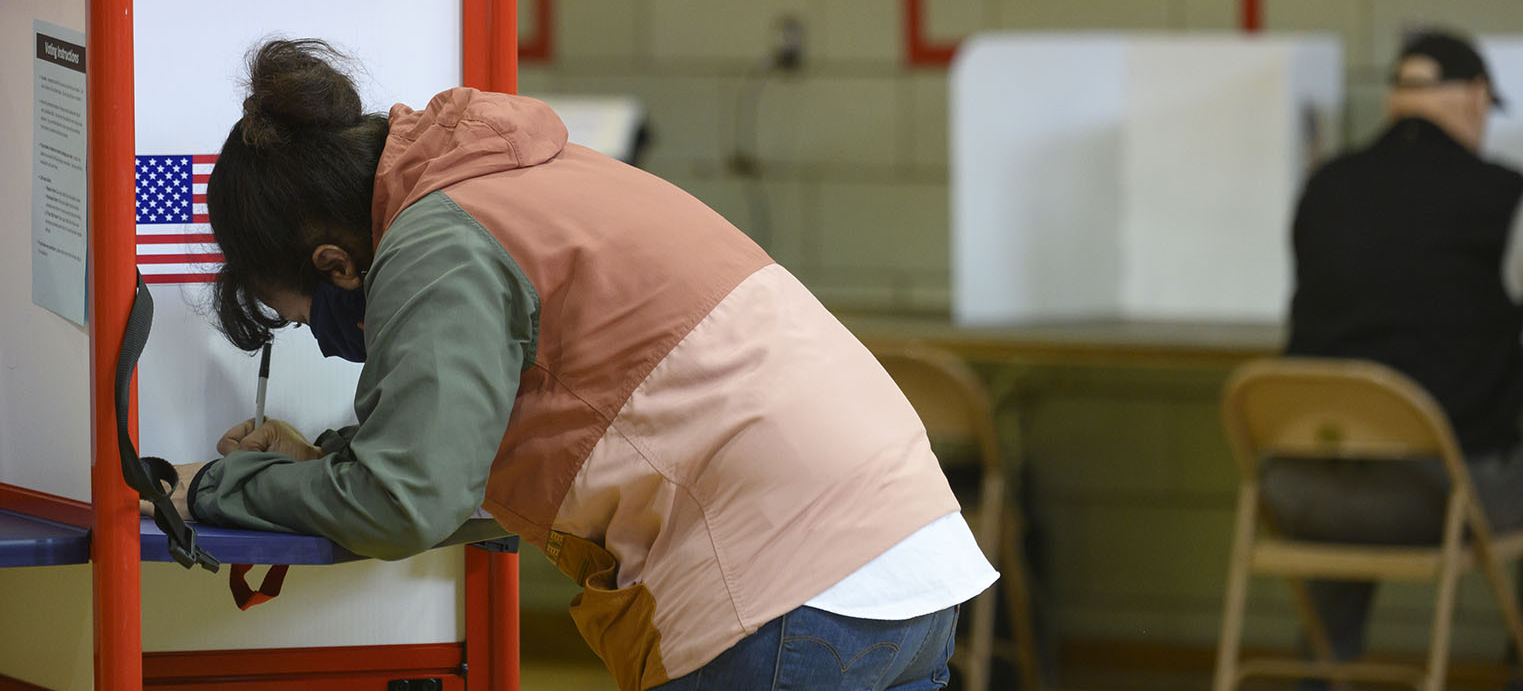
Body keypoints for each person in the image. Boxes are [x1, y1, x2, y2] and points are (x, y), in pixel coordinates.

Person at [166, 38, 996, 691]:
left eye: (301, 314)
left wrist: (209, 490)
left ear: (336, 263)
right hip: (911, 553)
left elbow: (405, 503)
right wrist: (333, 464)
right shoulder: (517, 175)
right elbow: (479, 452)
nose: (323, 336)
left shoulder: (435, 242)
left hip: (785, 589)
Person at [1266, 29, 1523, 685]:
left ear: (1396, 101)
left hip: (1299, 490)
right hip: (1436, 496)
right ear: (1476, 98)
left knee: (1359, 447)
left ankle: (1321, 671)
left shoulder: (1322, 187)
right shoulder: (1507, 198)